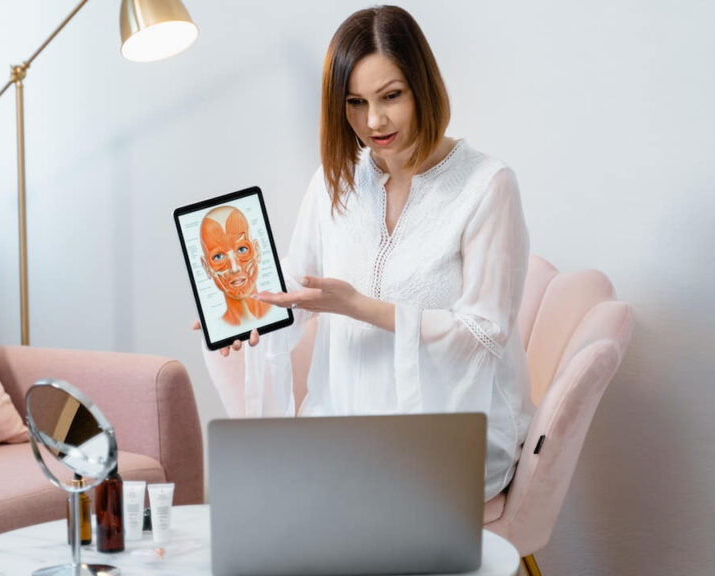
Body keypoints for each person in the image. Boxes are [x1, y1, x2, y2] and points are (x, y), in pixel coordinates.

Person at [198, 5, 533, 501]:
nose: (373, 121)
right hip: (346, 418)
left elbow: (484, 333)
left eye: (391, 96)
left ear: (423, 86)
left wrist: (359, 307)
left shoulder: (486, 186)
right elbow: (301, 280)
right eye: (355, 102)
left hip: (451, 433)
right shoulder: (335, 181)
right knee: (263, 491)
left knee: (315, 500)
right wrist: (244, 309)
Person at [199, 205, 272, 326]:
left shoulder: (283, 308)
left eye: (242, 249)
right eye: (218, 257)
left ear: (257, 250)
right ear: (207, 267)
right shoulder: (217, 331)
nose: (234, 268)